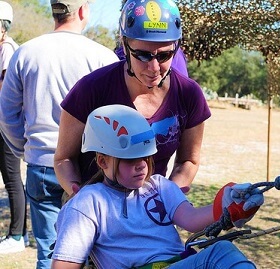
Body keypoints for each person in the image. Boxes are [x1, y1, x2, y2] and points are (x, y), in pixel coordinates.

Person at [51, 104, 264, 269]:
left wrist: (227, 205)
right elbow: (64, 264)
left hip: (178, 262)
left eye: (145, 157)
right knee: (221, 253)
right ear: (103, 161)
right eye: (129, 159)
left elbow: (191, 219)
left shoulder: (159, 186)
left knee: (220, 252)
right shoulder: (88, 203)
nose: (141, 166)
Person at [0, 0, 119, 267]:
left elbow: (6, 113)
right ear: (82, 10)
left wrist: (26, 148)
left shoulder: (26, 52)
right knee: (94, 252)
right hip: (89, 166)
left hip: (41, 162)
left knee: (50, 253)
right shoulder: (102, 57)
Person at [54, 0, 211, 197]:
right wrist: (80, 196)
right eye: (143, 55)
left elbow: (188, 161)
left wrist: (168, 199)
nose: (154, 68)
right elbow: (63, 158)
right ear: (126, 46)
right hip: (93, 212)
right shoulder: (92, 88)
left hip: (150, 213)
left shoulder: (189, 94)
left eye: (164, 55)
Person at [0, 0, 28, 254]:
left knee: (12, 179)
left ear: (3, 27)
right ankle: (18, 235)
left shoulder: (7, 50)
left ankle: (17, 236)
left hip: (6, 126)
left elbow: (6, 91)